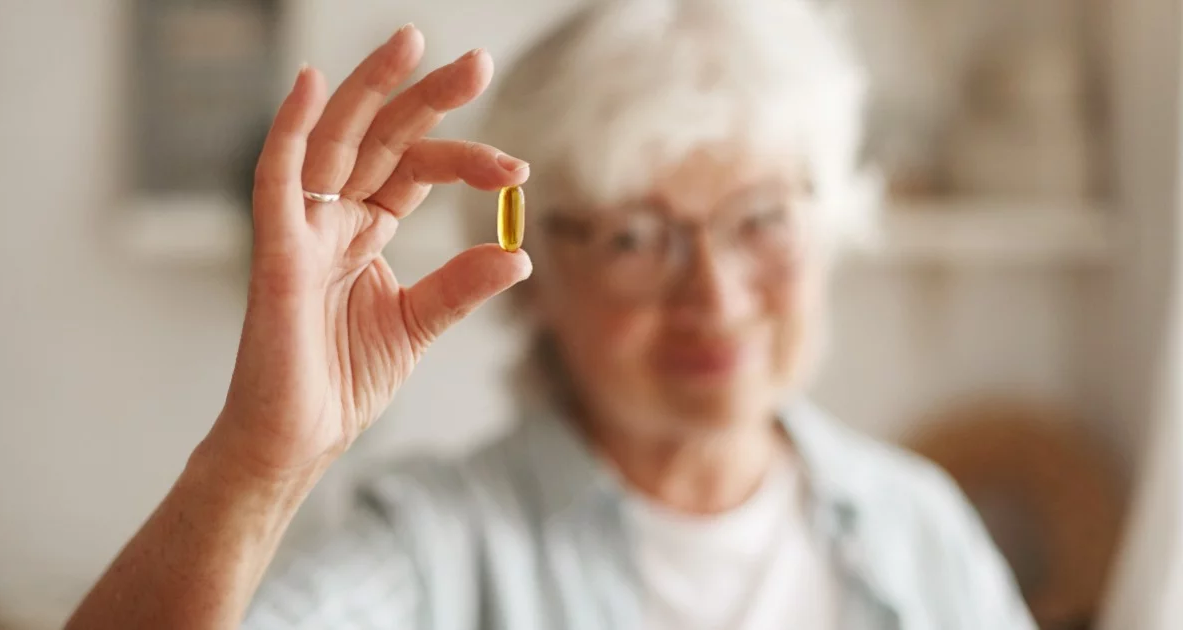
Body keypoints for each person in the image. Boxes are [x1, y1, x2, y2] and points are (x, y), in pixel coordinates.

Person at [66, 1, 1035, 628]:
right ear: (541, 278)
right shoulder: (435, 546)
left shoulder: (919, 528)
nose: (716, 295)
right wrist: (257, 466)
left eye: (761, 221)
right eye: (632, 237)